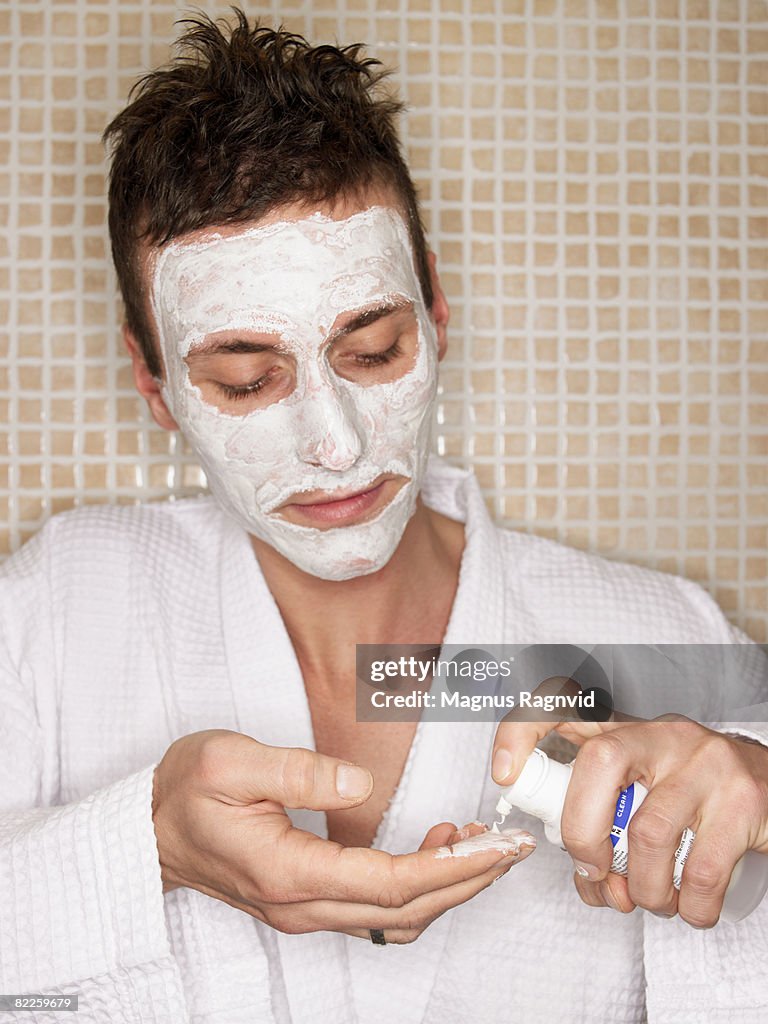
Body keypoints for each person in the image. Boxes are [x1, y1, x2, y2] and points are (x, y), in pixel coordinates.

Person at [2, 10, 767, 1023]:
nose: (339, 445)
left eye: (373, 352)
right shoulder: (62, 605)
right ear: (153, 384)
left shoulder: (665, 633)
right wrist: (145, 844)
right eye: (245, 379)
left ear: (437, 312)